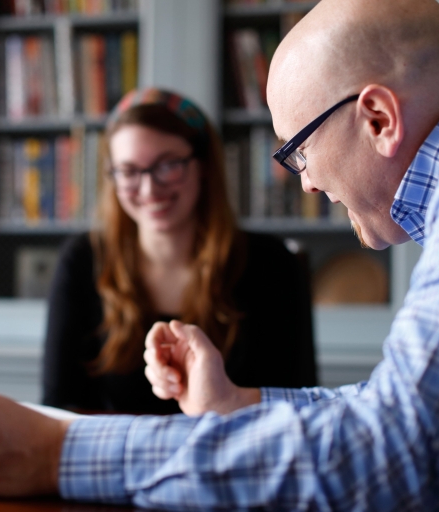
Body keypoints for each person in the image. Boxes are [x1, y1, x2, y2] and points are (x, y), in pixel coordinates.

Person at [0, 0, 439, 509]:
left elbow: (391, 458)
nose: (306, 182)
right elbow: (387, 405)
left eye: (297, 150)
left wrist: (58, 453)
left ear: (377, 117)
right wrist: (239, 405)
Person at [42, 88, 317, 414]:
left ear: (203, 166)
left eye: (168, 165)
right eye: (129, 171)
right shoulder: (83, 260)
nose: (149, 188)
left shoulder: (273, 264)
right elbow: (60, 407)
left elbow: (299, 405)